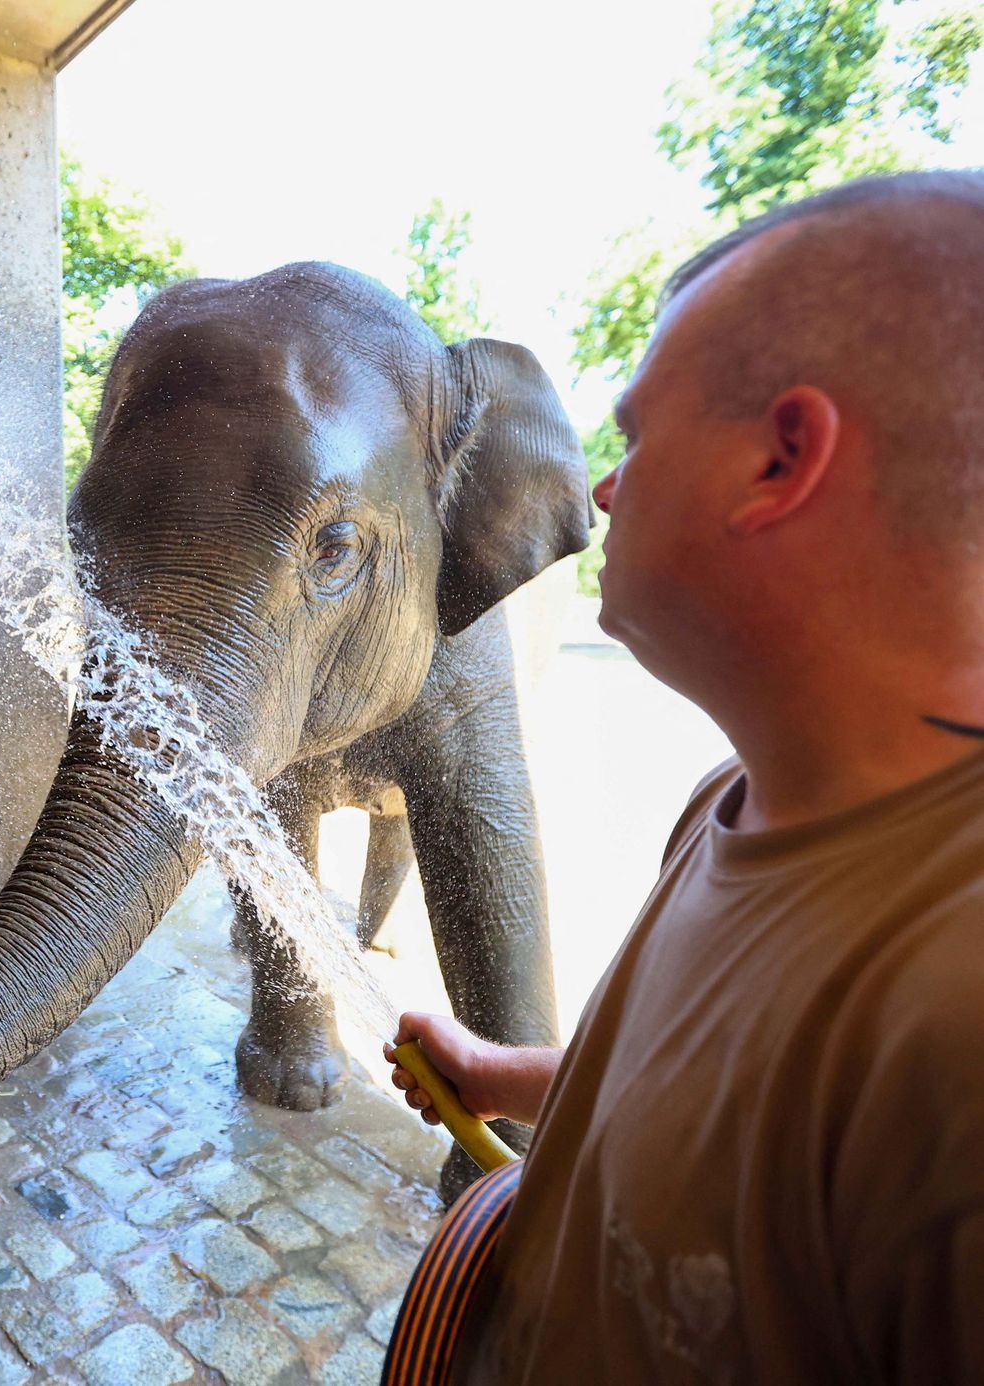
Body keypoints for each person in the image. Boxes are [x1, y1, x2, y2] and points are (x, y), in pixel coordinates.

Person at [384, 168, 984, 1384]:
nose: (602, 489)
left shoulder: (957, 1016)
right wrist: (508, 1078)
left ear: (781, 459)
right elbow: (704, 1095)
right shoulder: (733, 797)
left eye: (639, 438)